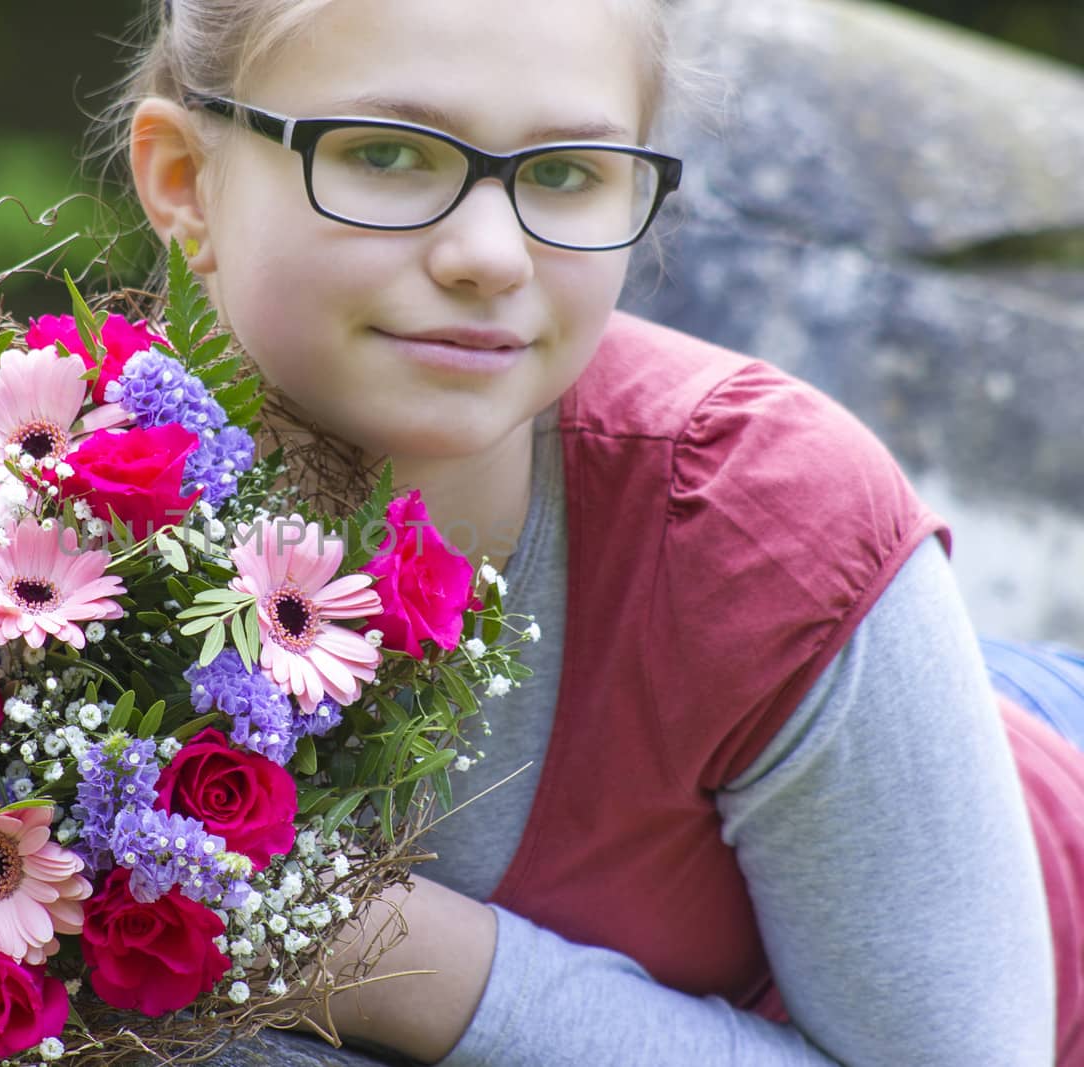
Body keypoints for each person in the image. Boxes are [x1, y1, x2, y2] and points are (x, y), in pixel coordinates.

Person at [110, 0, 1084, 1064]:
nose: (488, 255)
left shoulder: (761, 523)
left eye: (566, 172)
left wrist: (386, 951)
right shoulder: (19, 547)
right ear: (183, 182)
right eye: (385, 154)